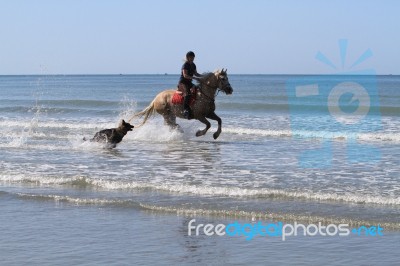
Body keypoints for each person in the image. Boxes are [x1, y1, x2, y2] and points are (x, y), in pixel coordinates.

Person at [178, 51, 202, 119]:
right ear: (187, 58)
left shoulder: (193, 65)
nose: (192, 59)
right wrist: (195, 78)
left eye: (193, 57)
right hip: (183, 82)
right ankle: (185, 110)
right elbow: (185, 75)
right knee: (188, 94)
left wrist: (204, 76)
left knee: (199, 90)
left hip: (189, 83)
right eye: (191, 57)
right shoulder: (185, 65)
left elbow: (196, 74)